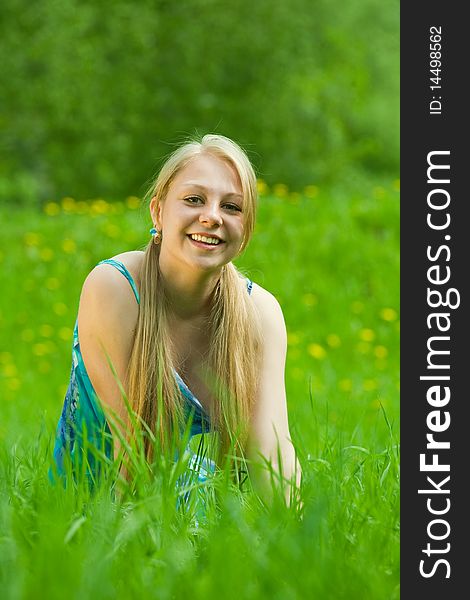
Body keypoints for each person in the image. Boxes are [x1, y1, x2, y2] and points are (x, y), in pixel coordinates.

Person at [51, 133, 302, 513]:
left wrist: (295, 543)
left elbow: (273, 456)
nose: (212, 216)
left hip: (199, 521)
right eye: (194, 199)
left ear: (246, 229)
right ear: (158, 212)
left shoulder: (260, 314)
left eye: (231, 207)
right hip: (91, 509)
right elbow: (132, 451)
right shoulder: (116, 288)